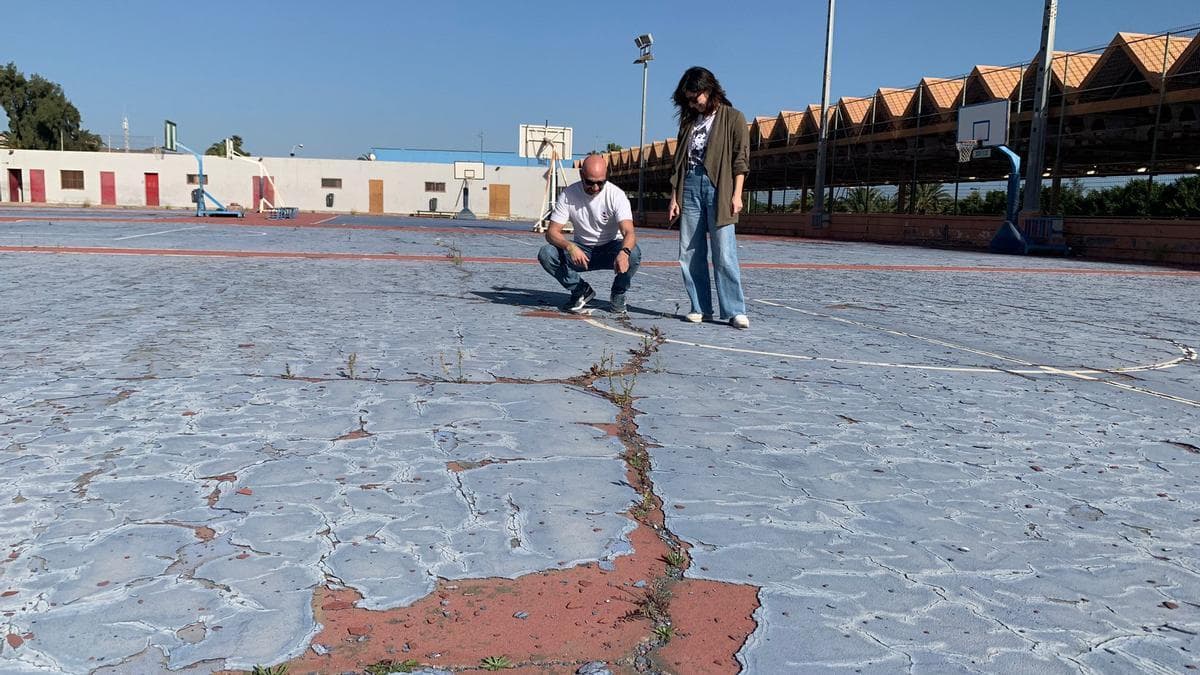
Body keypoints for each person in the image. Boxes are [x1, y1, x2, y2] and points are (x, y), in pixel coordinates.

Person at [667, 66, 751, 329]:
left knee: (724, 252)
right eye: (689, 99)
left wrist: (737, 195)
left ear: (709, 89)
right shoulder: (689, 123)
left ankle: (735, 310)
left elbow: (741, 160)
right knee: (690, 251)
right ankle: (699, 306)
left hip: (721, 187)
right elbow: (679, 163)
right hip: (690, 185)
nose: (694, 103)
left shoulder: (733, 117)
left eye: (696, 97)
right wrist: (674, 196)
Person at [538, 153, 641, 314]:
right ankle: (580, 290)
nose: (595, 188)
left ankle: (618, 292)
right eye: (590, 183)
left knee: (633, 253)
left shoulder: (616, 196)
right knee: (546, 253)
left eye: (601, 183)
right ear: (581, 175)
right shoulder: (568, 195)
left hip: (610, 250)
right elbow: (551, 233)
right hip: (582, 252)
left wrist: (624, 252)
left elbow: (629, 232)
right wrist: (570, 246)